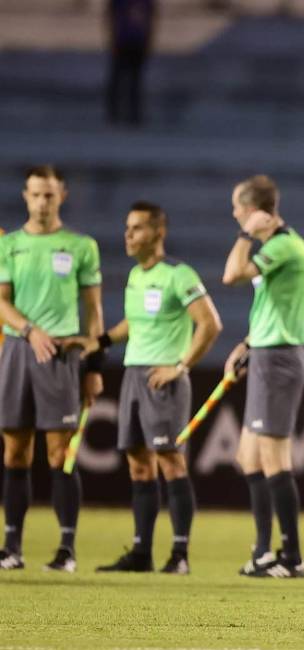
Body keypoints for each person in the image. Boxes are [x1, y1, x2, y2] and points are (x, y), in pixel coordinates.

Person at [67, 202, 222, 574]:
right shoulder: (136, 275)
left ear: (158, 232)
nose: (128, 234)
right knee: (138, 465)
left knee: (170, 460)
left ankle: (180, 555)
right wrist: (101, 341)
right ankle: (141, 553)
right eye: (127, 227)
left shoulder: (178, 274)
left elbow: (210, 324)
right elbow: (134, 323)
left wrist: (180, 366)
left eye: (136, 228)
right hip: (133, 374)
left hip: (162, 377)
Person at [0, 165, 104, 572]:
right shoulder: (9, 245)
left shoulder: (81, 246)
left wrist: (94, 366)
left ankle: (66, 550)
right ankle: (12, 547)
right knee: (15, 451)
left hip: (62, 354)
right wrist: (30, 331)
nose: (42, 202)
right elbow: (1, 300)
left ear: (62, 196)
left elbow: (94, 311)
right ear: (25, 197)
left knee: (61, 454)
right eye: (36, 194)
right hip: (19, 350)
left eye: (49, 195)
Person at [222, 175, 304, 579]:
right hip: (264, 353)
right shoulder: (275, 247)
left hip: (279, 359)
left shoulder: (283, 246)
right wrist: (247, 343)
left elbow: (231, 275)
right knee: (248, 457)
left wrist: (246, 234)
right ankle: (262, 552)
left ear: (254, 211)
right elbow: (271, 307)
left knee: (275, 457)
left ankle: (291, 557)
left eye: (238, 208)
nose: (234, 214)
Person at [105, 0, 157, 126]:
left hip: (136, 43)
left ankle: (132, 113)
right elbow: (111, 18)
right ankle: (115, 113)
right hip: (123, 42)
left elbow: (150, 20)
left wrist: (148, 41)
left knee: (134, 80)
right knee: (119, 79)